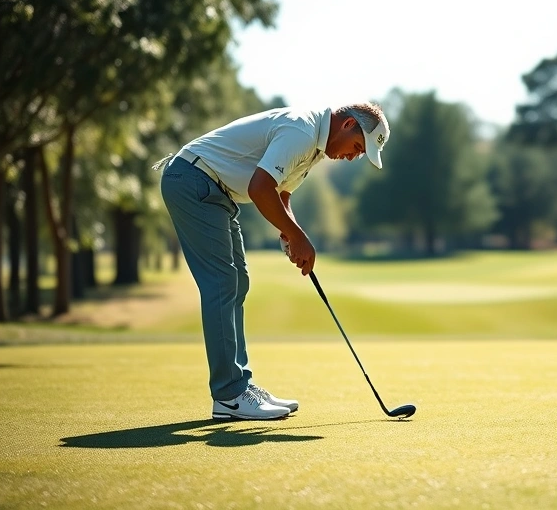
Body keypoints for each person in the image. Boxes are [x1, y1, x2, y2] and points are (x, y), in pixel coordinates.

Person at [155, 103, 390, 420]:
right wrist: (297, 237)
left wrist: (289, 232)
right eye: (357, 148)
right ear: (348, 124)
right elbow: (259, 188)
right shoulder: (301, 131)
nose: (353, 157)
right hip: (193, 179)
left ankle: (240, 387)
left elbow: (281, 195)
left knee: (237, 282)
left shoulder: (314, 148)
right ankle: (230, 395)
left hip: (213, 190)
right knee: (223, 283)